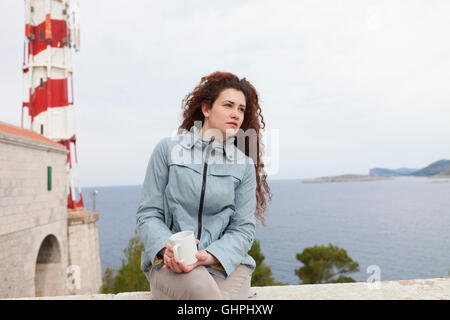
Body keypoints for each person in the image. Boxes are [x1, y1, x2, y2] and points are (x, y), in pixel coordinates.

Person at [136, 71, 271, 300]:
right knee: (201, 287)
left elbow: (243, 228)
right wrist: (167, 248)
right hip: (171, 264)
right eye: (228, 105)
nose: (236, 114)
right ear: (206, 109)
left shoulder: (244, 166)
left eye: (241, 109)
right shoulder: (167, 151)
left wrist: (209, 256)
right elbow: (148, 214)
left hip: (226, 264)